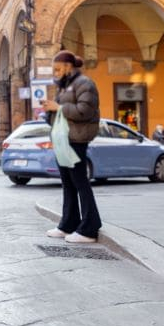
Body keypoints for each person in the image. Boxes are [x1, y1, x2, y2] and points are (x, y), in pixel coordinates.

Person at [42, 50, 102, 243]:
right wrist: (48, 111)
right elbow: (62, 113)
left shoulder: (85, 83)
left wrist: (58, 108)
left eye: (58, 68)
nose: (56, 72)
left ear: (69, 67)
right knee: (68, 184)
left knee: (80, 183)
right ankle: (68, 225)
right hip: (64, 141)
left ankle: (89, 229)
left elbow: (85, 111)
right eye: (54, 69)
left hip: (77, 140)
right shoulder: (64, 88)